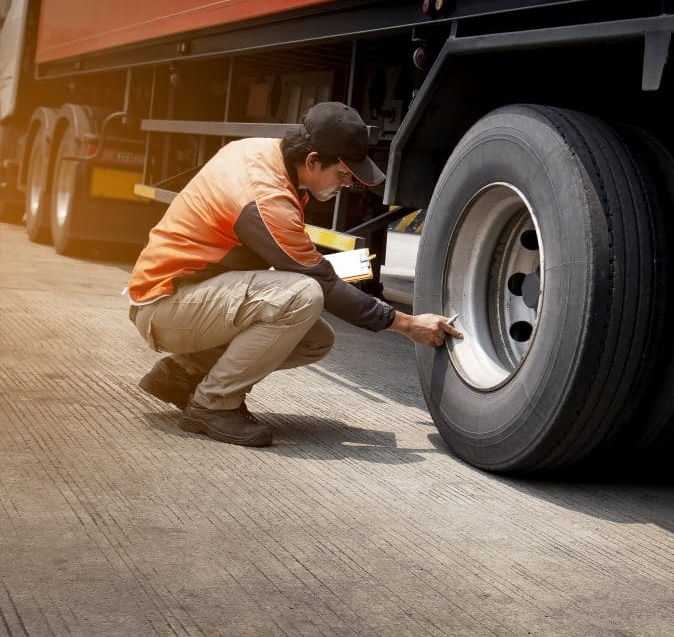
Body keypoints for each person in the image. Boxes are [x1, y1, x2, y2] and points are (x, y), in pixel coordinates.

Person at [126, 101, 461, 447]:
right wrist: (407, 324)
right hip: (165, 304)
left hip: (188, 295)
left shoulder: (261, 153)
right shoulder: (265, 198)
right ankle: (212, 405)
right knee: (303, 296)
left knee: (315, 339)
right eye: (343, 173)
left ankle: (181, 375)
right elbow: (323, 283)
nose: (348, 184)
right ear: (313, 160)